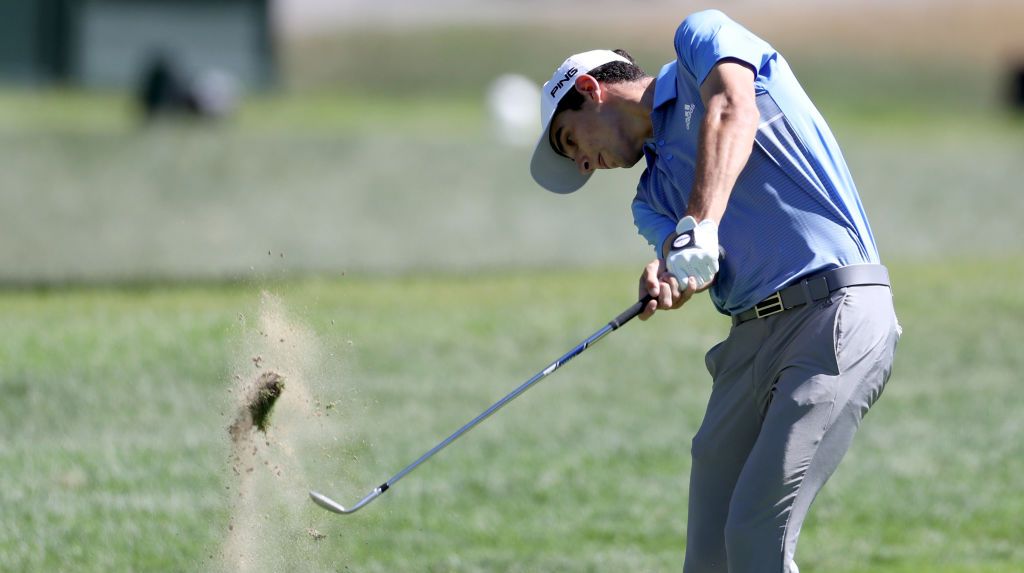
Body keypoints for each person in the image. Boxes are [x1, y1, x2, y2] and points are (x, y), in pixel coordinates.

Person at [529, 9, 900, 572]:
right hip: (748, 343)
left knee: (755, 533)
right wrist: (670, 275)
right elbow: (696, 264)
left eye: (569, 139)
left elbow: (733, 109)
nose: (582, 163)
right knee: (710, 558)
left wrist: (698, 224)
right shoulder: (649, 200)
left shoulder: (700, 42)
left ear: (589, 89)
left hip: (835, 311)